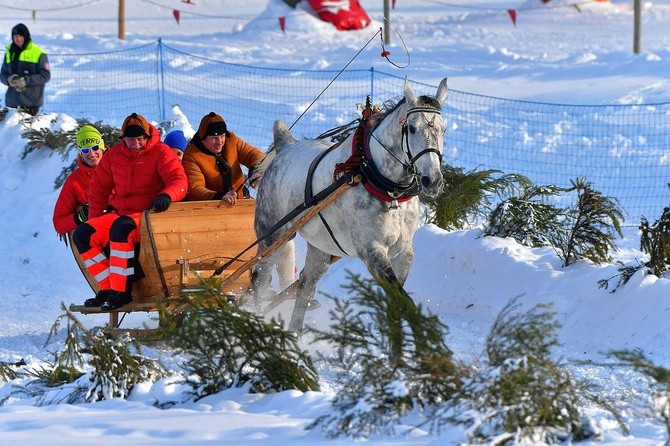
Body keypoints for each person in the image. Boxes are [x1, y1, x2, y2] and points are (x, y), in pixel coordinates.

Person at [72, 113, 187, 311]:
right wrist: (95, 222)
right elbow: (99, 190)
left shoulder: (161, 152)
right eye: (131, 140)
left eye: (140, 139)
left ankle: (121, 292)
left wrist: (167, 195)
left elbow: (179, 180)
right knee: (84, 234)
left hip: (147, 216)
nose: (135, 144)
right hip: (120, 213)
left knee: (121, 228)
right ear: (123, 138)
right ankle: (107, 289)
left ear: (147, 136)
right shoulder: (114, 155)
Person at [182, 112, 265, 204]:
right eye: (214, 138)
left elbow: (253, 154)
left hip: (240, 201)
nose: (220, 142)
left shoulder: (232, 140)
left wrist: (256, 169)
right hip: (210, 209)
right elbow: (195, 189)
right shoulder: (191, 156)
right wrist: (219, 196)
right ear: (202, 138)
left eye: (222, 136)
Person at [52, 125, 106, 238]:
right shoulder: (74, 181)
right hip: (99, 236)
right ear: (80, 152)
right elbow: (58, 223)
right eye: (85, 150)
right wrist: (80, 217)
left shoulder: (120, 165)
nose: (91, 154)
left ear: (102, 146)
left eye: (95, 147)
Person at [0, 23, 51, 116]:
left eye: (20, 35)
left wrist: (25, 81)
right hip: (12, 103)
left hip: (30, 103)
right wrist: (8, 80)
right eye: (15, 36)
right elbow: (2, 74)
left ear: (26, 36)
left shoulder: (38, 53)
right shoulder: (9, 53)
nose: (18, 39)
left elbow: (45, 75)